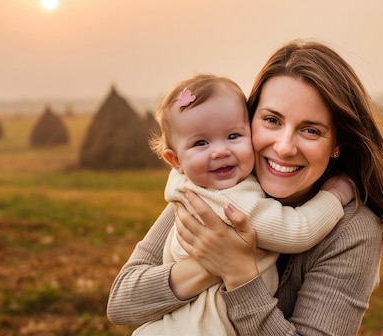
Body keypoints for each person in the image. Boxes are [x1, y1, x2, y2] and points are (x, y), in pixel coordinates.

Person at [107, 40, 383, 335]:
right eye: (272, 120)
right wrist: (215, 264)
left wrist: (241, 275)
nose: (284, 147)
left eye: (311, 130)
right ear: (250, 119)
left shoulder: (352, 230)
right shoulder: (216, 186)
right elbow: (122, 302)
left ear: (337, 143)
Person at [133, 73, 353, 335]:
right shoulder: (230, 200)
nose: (220, 151)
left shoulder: (192, 184)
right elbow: (298, 230)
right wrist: (334, 197)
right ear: (175, 160)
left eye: (233, 136)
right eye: (201, 142)